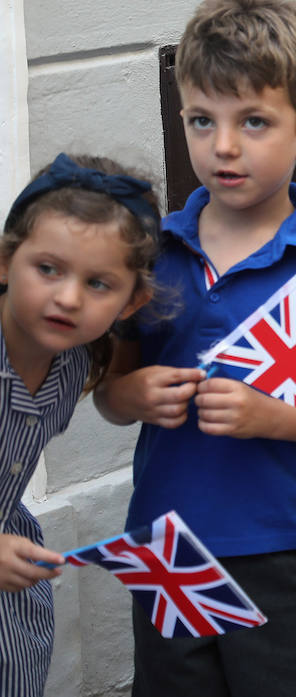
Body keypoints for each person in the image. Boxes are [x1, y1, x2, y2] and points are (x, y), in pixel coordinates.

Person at [94, 0, 296, 697]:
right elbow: (111, 394)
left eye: (253, 121)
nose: (223, 146)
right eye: (203, 120)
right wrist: (130, 394)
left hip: (281, 553)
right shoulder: (152, 255)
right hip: (166, 546)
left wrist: (272, 416)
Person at [0, 155, 162, 697]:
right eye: (48, 269)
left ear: (132, 301)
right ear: (5, 261)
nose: (68, 298)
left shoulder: (74, 362)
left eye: (97, 283)